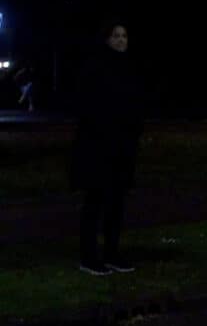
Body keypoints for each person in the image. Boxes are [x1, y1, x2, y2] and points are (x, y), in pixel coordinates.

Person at [70, 21, 144, 275]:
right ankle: (89, 256)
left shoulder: (128, 68)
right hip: (99, 147)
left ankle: (112, 252)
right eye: (116, 36)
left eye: (124, 35)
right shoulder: (96, 68)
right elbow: (89, 106)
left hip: (122, 147)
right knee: (95, 202)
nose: (122, 40)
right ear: (106, 39)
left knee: (116, 202)